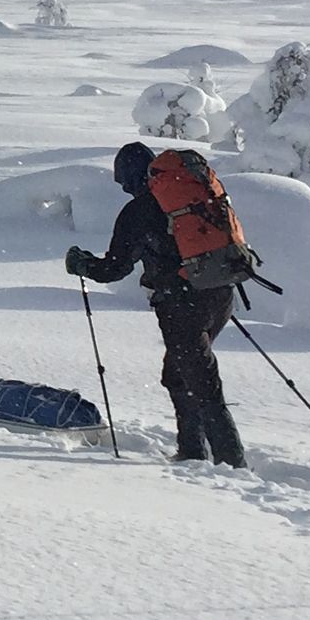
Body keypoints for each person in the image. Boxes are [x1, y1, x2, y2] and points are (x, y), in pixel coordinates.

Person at [65, 141, 246, 468]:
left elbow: (114, 269)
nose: (124, 189)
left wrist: (83, 265)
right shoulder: (193, 198)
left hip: (181, 305)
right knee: (179, 376)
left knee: (202, 385)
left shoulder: (139, 212)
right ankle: (192, 451)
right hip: (220, 294)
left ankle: (231, 466)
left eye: (123, 182)